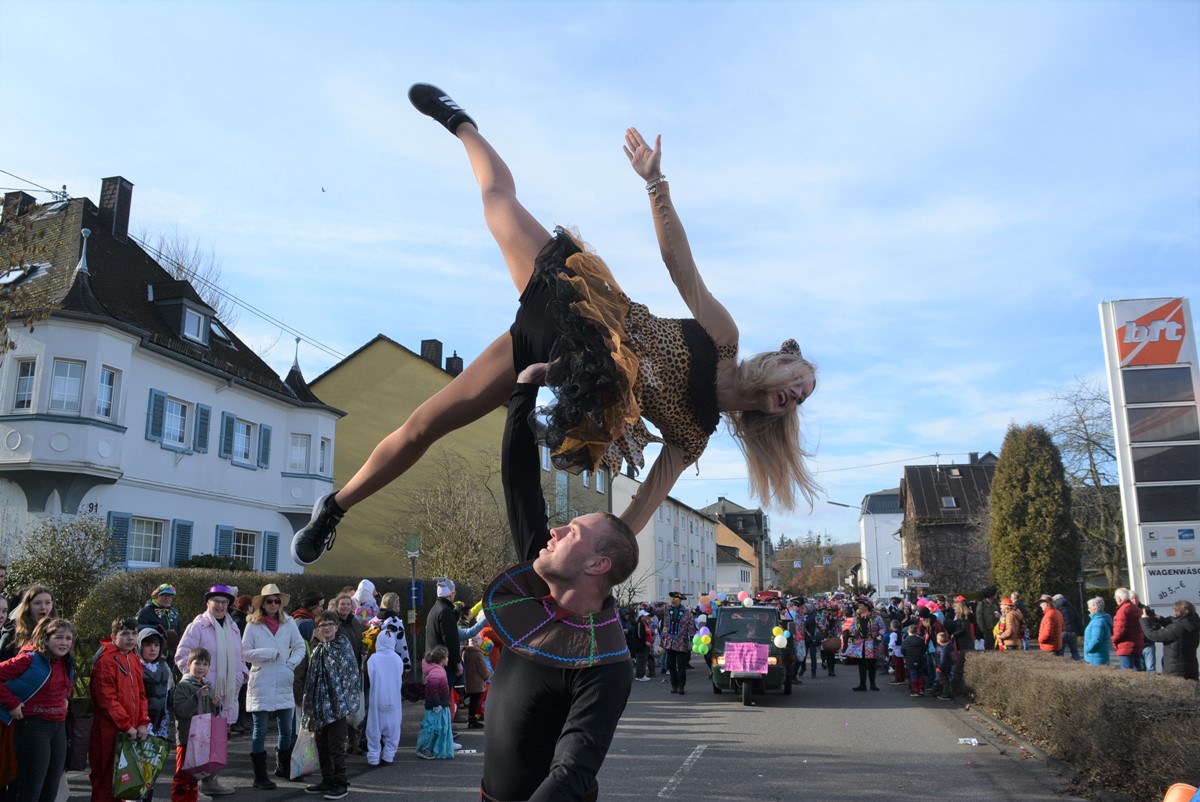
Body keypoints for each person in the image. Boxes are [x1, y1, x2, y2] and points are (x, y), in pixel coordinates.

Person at [291, 83, 820, 568]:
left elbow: (639, 508)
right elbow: (678, 261)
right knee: (497, 203)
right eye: (800, 382)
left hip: (548, 362)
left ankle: (333, 504)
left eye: (802, 398)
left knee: (431, 423)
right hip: (571, 300)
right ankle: (462, 124)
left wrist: (595, 557)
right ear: (781, 363)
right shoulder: (721, 338)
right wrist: (655, 183)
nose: (797, 394)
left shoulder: (694, 433)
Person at [475, 361, 638, 801]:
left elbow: (571, 772)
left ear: (597, 565)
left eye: (574, 532)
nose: (556, 531)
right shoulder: (534, 592)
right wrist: (524, 389)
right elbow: (520, 484)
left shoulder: (607, 663)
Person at [175, 585, 246, 796]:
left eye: (225, 603)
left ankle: (210, 780)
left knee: (216, 739)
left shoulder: (233, 628)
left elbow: (239, 655)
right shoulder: (197, 627)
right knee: (198, 741)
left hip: (226, 693)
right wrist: (197, 681)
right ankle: (193, 787)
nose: (221, 606)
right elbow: (182, 656)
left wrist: (242, 675)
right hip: (204, 694)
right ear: (208, 603)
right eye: (217, 602)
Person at [0, 617, 74, 802]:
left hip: (58, 727)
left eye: (68, 638)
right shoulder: (29, 659)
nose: (64, 642)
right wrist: (12, 703)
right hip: (33, 727)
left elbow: (66, 684)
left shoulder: (66, 661)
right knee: (31, 789)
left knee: (51, 790)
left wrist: (65, 697)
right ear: (45, 638)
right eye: (59, 637)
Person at [241, 584, 306, 790]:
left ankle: (283, 767)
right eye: (269, 601)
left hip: (284, 679)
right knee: (259, 730)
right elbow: (244, 653)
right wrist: (267, 653)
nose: (273, 604)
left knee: (286, 728)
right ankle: (260, 776)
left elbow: (299, 647)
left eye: (276, 601)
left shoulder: (288, 623)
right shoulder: (252, 625)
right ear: (262, 603)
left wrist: (290, 663)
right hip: (262, 680)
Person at [302, 611, 362, 800]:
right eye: (322, 625)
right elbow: (312, 679)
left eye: (329, 624)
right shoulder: (319, 649)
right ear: (317, 630)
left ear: (336, 627)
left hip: (337, 707)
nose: (326, 628)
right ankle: (327, 779)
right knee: (322, 745)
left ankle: (341, 783)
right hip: (319, 707)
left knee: (336, 746)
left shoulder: (342, 646)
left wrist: (341, 701)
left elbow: (350, 676)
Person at [90, 617, 150, 802]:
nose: (130, 638)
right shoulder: (106, 660)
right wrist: (126, 725)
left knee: (125, 779)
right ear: (114, 636)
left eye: (134, 633)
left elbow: (141, 693)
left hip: (131, 728)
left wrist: (142, 722)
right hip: (109, 730)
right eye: (125, 634)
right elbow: (106, 699)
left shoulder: (133, 657)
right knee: (106, 779)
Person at [172, 647, 217, 802]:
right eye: (197, 664)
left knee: (195, 775)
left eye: (205, 664)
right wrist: (196, 697)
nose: (201, 668)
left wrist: (217, 705)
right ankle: (179, 799)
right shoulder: (184, 685)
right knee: (182, 775)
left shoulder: (208, 686)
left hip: (202, 739)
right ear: (189, 664)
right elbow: (181, 711)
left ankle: (191, 798)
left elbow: (211, 714)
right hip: (187, 738)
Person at [365, 618, 407, 766]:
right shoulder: (397, 659)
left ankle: (373, 756)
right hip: (394, 697)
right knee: (394, 727)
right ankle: (388, 755)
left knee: (374, 727)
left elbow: (369, 676)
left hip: (377, 697)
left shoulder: (373, 659)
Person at [328, 593, 365, 755]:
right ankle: (340, 744)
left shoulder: (354, 622)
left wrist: (364, 651)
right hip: (339, 672)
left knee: (353, 708)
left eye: (348, 604)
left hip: (355, 670)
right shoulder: (334, 623)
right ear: (337, 606)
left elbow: (361, 640)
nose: (345, 607)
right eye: (342, 604)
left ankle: (353, 743)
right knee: (340, 710)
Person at [1139, 600, 1200, 680]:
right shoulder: (1193, 622)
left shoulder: (1177, 628)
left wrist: (1144, 620)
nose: (1173, 613)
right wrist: (1158, 618)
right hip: (1191, 668)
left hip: (1175, 671)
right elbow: (1176, 624)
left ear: (1178, 612)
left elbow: (1153, 635)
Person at [415, 645, 454, 761]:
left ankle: (433, 747)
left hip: (440, 704)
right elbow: (432, 689)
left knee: (440, 727)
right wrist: (436, 704)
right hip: (436, 706)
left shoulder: (438, 670)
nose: (448, 659)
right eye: (447, 657)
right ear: (442, 659)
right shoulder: (437, 671)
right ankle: (424, 748)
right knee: (432, 727)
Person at [0, 585, 54, 662]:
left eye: (48, 603)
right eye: (37, 603)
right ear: (28, 606)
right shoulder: (12, 632)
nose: (43, 607)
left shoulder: (57, 631)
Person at [138, 628, 173, 742]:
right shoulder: (136, 667)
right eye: (148, 645)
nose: (153, 649)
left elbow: (168, 693)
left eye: (156, 645)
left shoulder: (164, 667)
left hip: (160, 718)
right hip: (141, 720)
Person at [844, 599, 885, 692]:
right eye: (859, 606)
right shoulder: (857, 617)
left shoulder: (876, 617)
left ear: (866, 606)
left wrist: (880, 635)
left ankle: (873, 684)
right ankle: (862, 684)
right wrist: (852, 632)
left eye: (861, 605)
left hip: (872, 642)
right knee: (861, 664)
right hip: (860, 642)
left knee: (871, 664)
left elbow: (882, 627)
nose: (859, 607)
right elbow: (853, 627)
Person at [661, 592, 696, 695]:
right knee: (670, 665)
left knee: (681, 665)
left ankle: (681, 686)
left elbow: (691, 627)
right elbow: (654, 610)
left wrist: (691, 640)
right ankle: (674, 685)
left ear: (680, 601)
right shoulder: (667, 609)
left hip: (681, 642)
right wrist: (646, 607)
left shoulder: (687, 612)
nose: (673, 602)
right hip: (669, 642)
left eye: (675, 600)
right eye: (672, 600)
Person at [137, 584, 183, 658]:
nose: (167, 599)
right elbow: (137, 628)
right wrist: (158, 629)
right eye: (164, 595)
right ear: (156, 596)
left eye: (170, 596)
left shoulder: (174, 612)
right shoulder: (146, 611)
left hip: (172, 656)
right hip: (153, 654)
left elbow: (179, 632)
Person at [461, 634, 491, 730]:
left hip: (469, 680)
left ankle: (471, 719)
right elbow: (482, 667)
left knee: (472, 700)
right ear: (477, 641)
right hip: (477, 681)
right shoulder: (477, 653)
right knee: (475, 701)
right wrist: (487, 676)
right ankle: (472, 720)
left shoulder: (465, 652)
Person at [1111, 588, 1145, 671]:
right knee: (1138, 671)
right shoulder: (1135, 608)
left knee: (1127, 673)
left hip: (1126, 646)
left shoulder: (1123, 610)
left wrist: (1113, 640)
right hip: (1137, 644)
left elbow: (1120, 631)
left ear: (1119, 598)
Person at [1129, 590, 1157, 672]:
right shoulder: (1128, 611)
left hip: (1148, 643)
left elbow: (1155, 624)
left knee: (1151, 668)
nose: (1134, 600)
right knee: (1139, 669)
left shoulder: (1146, 609)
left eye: (1136, 598)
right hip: (1136, 645)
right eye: (1132, 598)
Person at [1082, 597, 1112, 666]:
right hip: (1099, 655)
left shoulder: (1097, 621)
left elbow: (1096, 639)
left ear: (1095, 609)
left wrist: (1087, 649)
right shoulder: (1101, 619)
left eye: (1089, 608)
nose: (1088, 610)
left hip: (1095, 657)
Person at [1053, 594, 1083, 661]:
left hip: (1061, 633)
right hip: (1072, 632)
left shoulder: (1056, 608)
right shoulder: (1072, 608)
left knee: (1060, 652)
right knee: (1075, 652)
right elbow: (1078, 619)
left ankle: (1061, 668)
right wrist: (1081, 632)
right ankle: (1079, 665)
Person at [902, 624, 926, 697]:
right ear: (916, 631)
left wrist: (905, 657)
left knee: (913, 675)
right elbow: (924, 649)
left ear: (908, 631)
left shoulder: (905, 641)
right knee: (920, 674)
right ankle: (921, 689)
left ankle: (915, 690)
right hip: (919, 659)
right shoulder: (921, 640)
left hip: (910, 659)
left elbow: (903, 650)